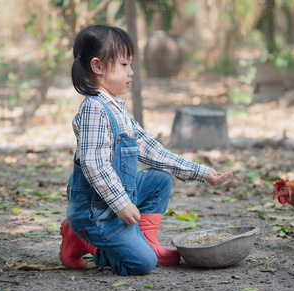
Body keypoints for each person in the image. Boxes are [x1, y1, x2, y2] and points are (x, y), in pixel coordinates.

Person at [59, 25, 232, 276]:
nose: (131, 72)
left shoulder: (118, 110)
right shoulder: (94, 109)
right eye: (124, 65)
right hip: (95, 213)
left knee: (159, 179)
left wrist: (203, 173)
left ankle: (146, 241)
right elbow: (93, 163)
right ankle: (82, 238)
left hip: (114, 204)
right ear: (97, 66)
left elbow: (155, 153)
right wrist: (120, 205)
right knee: (142, 263)